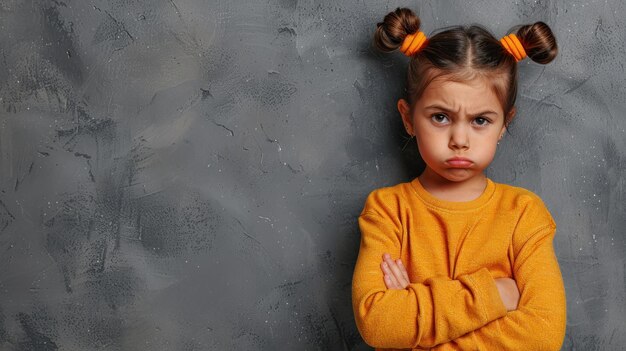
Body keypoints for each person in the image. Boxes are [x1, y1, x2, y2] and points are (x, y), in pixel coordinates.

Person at [351, 7, 566, 351]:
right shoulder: (387, 211)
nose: (460, 139)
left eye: (480, 120)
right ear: (408, 118)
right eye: (440, 117)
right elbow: (378, 324)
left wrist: (417, 331)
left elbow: (543, 336)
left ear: (504, 124)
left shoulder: (524, 214)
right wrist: (496, 293)